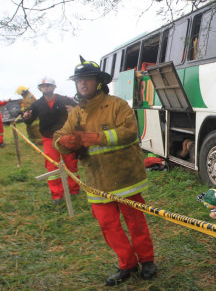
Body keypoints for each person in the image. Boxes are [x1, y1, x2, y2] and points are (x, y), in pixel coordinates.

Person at [53, 57, 156, 286]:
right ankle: (127, 264)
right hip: (96, 181)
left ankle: (147, 261)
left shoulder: (117, 105)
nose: (82, 83)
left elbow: (130, 132)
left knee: (135, 222)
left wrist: (97, 137)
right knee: (108, 226)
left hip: (126, 178)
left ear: (98, 82)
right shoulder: (76, 114)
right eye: (78, 80)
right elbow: (59, 138)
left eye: (86, 79)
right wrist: (64, 142)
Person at [22, 78, 80, 203]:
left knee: (71, 163)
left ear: (54, 87)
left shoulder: (64, 99)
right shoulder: (36, 104)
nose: (46, 88)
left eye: (48, 86)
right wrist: (26, 117)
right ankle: (57, 195)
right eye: (43, 86)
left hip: (65, 136)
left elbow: (81, 109)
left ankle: (74, 189)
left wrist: (74, 110)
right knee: (52, 167)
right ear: (40, 89)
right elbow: (28, 120)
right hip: (48, 138)